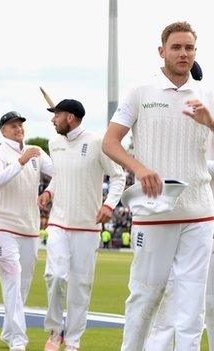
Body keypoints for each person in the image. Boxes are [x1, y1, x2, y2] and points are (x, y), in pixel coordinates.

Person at [102, 21, 214, 351]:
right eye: (177, 47)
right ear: (161, 51)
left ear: (196, 52)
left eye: (189, 48)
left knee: (192, 302)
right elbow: (110, 143)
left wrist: (210, 122)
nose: (183, 54)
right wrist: (139, 168)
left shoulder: (205, 94)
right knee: (145, 295)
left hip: (200, 211)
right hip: (155, 209)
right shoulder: (141, 92)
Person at [38, 99, 125, 351]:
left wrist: (109, 205)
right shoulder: (54, 143)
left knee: (80, 286)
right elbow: (60, 176)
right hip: (58, 222)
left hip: (87, 226)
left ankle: (73, 341)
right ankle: (55, 333)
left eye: (57, 115)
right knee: (54, 276)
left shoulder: (98, 142)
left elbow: (118, 176)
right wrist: (50, 192)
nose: (53, 119)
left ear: (71, 118)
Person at [0, 111, 54, 351]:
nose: (18, 129)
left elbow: (60, 172)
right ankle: (18, 340)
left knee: (22, 283)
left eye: (20, 125)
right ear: (3, 130)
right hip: (3, 224)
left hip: (30, 226)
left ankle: (9, 330)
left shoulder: (37, 151)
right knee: (12, 279)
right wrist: (21, 161)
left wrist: (49, 191)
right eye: (12, 125)